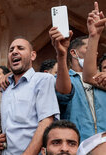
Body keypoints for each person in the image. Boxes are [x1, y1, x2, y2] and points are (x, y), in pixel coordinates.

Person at [49, 2, 106, 142]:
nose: (95, 52)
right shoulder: (63, 79)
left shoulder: (101, 78)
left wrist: (95, 36)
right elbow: (63, 94)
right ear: (73, 53)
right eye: (89, 48)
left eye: (95, 50)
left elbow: (90, 76)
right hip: (76, 145)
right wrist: (60, 54)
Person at [0, 37, 60, 155]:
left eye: (20, 48)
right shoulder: (5, 87)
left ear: (32, 55)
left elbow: (46, 121)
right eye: (11, 50)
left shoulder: (43, 80)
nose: (14, 51)